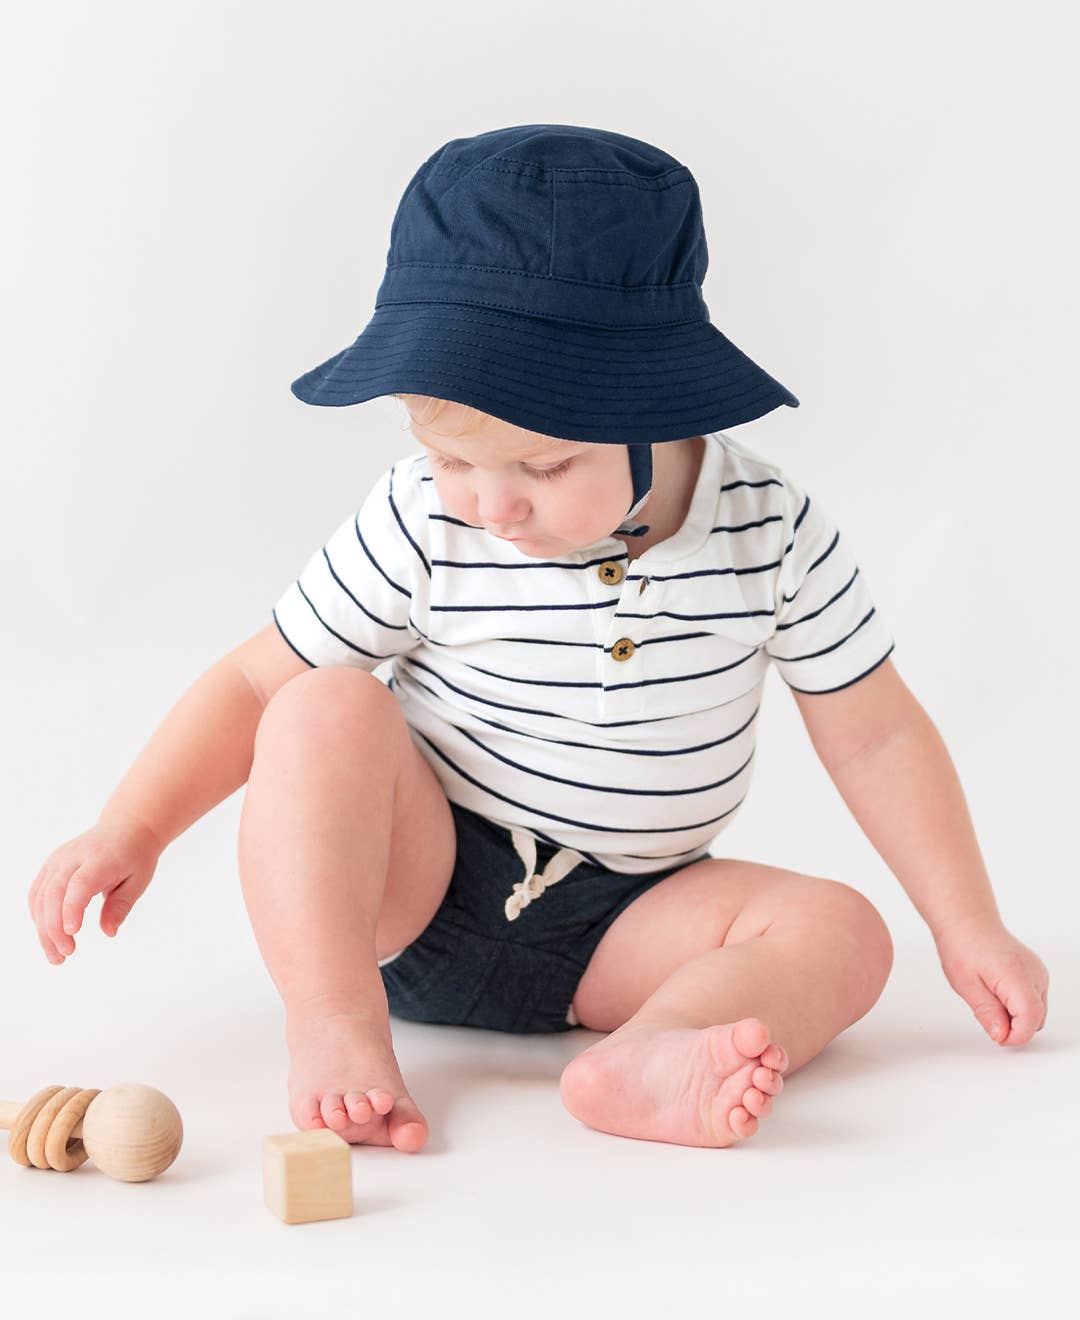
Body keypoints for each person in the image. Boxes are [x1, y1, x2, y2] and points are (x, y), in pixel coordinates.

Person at [27, 125, 1049, 1154]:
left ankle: (649, 1053)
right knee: (321, 703)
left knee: (845, 931)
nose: (495, 506)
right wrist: (134, 828)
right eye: (454, 458)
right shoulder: (426, 512)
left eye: (548, 467)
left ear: (663, 404)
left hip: (629, 922)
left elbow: (875, 735)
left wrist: (966, 924)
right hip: (412, 887)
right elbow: (255, 684)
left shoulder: (768, 528)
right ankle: (336, 1026)